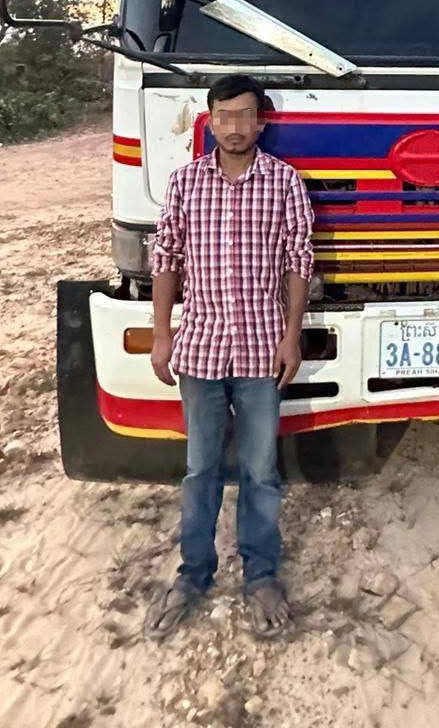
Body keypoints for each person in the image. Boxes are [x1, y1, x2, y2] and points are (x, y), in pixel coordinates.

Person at [143, 73, 313, 640]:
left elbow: (298, 261)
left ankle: (260, 576)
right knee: (201, 471)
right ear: (209, 121)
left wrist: (292, 336)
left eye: (246, 115)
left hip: (263, 349)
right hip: (200, 349)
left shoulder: (285, 182)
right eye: (225, 116)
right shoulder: (185, 182)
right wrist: (161, 333)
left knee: (261, 472)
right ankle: (193, 575)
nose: (235, 126)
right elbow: (166, 257)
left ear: (261, 122)